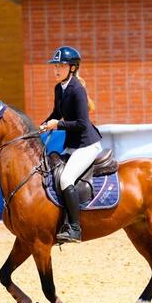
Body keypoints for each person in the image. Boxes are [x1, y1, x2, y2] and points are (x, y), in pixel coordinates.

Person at [41, 45, 103, 244]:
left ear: (73, 68)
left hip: (87, 145)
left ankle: (75, 228)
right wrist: (43, 125)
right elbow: (56, 113)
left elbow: (82, 124)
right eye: (55, 66)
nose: (56, 69)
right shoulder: (59, 88)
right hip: (73, 144)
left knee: (66, 178)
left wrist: (57, 125)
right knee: (53, 174)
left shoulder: (77, 90)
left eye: (61, 65)